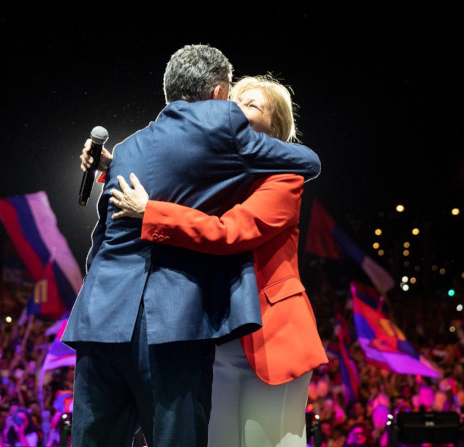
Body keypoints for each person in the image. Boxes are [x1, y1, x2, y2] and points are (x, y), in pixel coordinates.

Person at [61, 44, 321, 446]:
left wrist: (151, 211)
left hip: (264, 334)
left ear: (277, 127)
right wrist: (115, 167)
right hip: (207, 330)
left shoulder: (281, 179)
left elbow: (229, 232)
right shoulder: (213, 161)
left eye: (250, 105)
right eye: (234, 101)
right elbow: (168, 169)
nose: (233, 111)